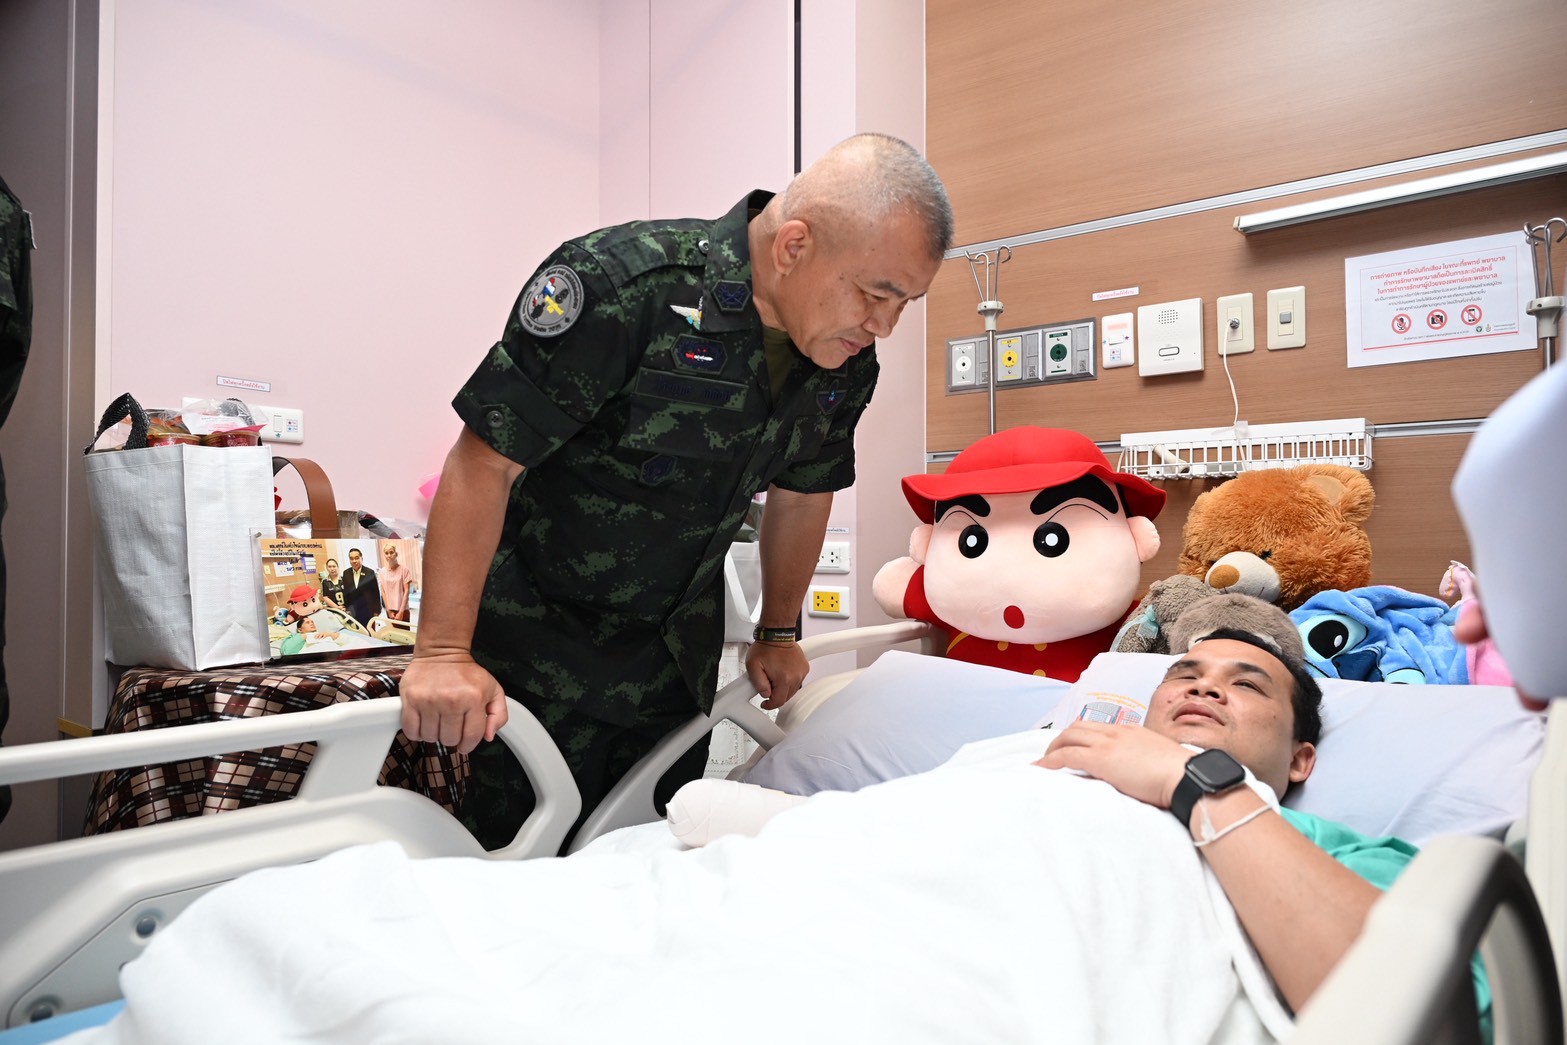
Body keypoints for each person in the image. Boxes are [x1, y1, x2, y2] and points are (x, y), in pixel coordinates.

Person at [400, 132, 953, 849]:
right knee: (507, 872)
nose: (884, 325)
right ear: (793, 245)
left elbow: (804, 489)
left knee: (653, 865)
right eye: (876, 294)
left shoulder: (844, 361)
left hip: (672, 672)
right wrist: (444, 653)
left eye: (906, 302)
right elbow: (483, 464)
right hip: (532, 663)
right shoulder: (624, 287)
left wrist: (778, 629)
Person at [1036, 622, 1489, 1024]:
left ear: (1298, 760)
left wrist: (1193, 781)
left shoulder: (1340, 855)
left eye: (1247, 685)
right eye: (1185, 676)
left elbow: (1437, 1015)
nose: (1203, 688)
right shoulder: (1033, 755)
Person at [340, 547, 381, 628]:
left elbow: (375, 592)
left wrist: (377, 610)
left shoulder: (369, 572)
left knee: (370, 631)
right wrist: (347, 608)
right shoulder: (346, 573)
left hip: (368, 610)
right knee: (357, 632)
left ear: (361, 558)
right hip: (353, 611)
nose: (354, 561)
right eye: (351, 559)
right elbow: (346, 593)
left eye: (356, 558)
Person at [377, 544, 413, 622]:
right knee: (392, 630)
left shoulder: (404, 570)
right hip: (390, 611)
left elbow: (406, 591)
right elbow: (383, 592)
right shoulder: (382, 572)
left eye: (391, 552)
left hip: (403, 609)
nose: (389, 555)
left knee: (404, 630)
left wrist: (401, 612)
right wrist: (388, 610)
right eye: (386, 553)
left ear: (396, 554)